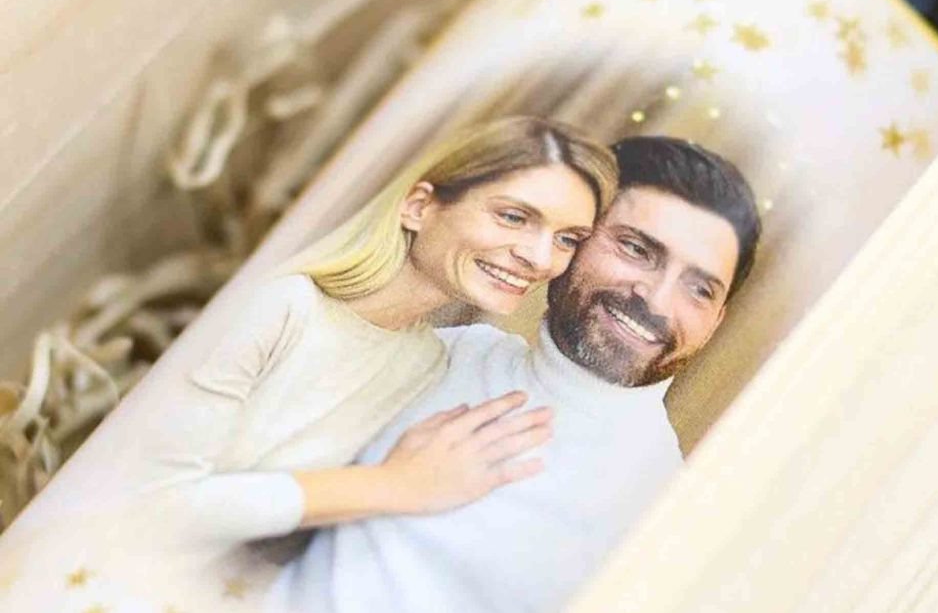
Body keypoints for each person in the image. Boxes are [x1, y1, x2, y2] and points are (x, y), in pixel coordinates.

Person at [273, 135, 761, 613]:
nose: (656, 299)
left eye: (699, 289)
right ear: (573, 240)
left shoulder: (667, 513)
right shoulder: (446, 354)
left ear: (717, 321)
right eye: (637, 250)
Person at [140, 114, 618, 556]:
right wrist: (394, 485)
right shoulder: (280, 307)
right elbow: (149, 504)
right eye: (513, 217)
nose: (540, 258)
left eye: (567, 239)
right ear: (418, 206)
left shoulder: (424, 362)